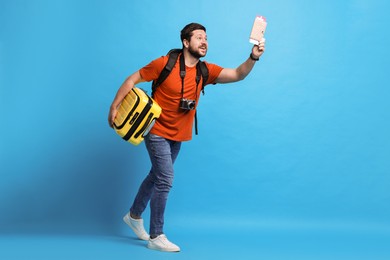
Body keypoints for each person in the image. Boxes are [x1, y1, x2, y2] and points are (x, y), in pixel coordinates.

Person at [108, 22, 265, 252]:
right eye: (199, 37)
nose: (204, 42)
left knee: (156, 175)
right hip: (156, 130)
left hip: (179, 135)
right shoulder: (164, 63)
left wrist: (253, 57)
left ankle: (134, 216)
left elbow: (238, 74)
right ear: (185, 42)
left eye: (206, 38)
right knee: (165, 178)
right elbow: (132, 79)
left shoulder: (205, 71)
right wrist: (114, 106)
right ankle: (156, 235)